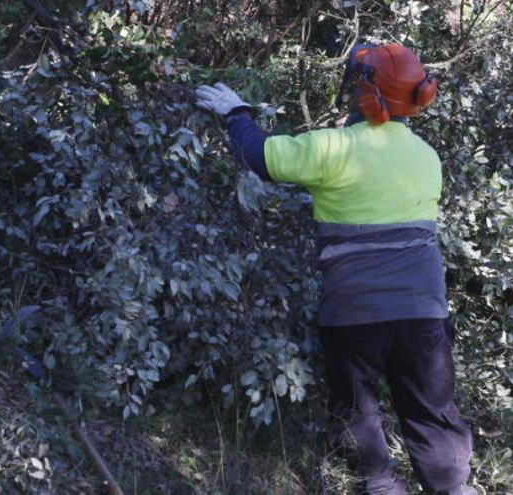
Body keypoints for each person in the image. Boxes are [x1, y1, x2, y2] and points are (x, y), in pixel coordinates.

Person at [195, 44, 474, 495]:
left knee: (358, 411)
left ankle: (381, 487)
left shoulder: (331, 148)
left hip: (354, 311)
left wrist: (236, 113)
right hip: (423, 310)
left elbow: (261, 156)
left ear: (365, 89)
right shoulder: (426, 157)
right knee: (431, 413)